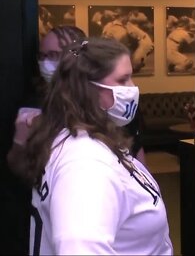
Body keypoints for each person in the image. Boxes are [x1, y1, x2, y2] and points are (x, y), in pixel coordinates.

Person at [22, 37, 173, 255]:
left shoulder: (85, 140)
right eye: (122, 80)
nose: (132, 89)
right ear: (88, 90)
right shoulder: (85, 164)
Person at [8, 25, 146, 176]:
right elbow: (20, 169)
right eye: (42, 56)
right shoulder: (34, 104)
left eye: (54, 55)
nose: (46, 63)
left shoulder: (117, 102)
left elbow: (136, 151)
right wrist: (20, 141)